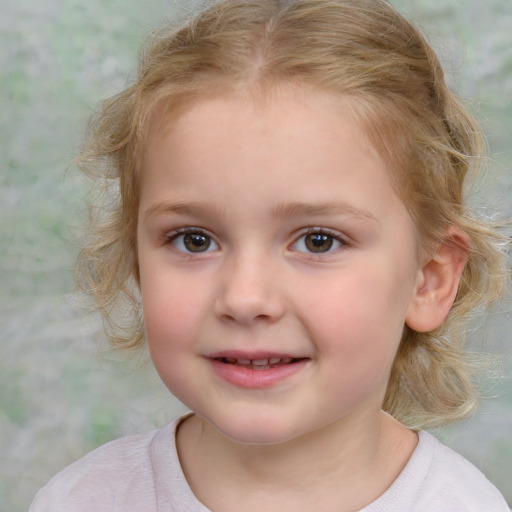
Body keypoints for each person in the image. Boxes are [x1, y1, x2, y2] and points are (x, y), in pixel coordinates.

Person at [30, 0, 510, 510]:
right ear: (135, 262)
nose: (244, 297)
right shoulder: (80, 500)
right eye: (195, 240)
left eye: (318, 241)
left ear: (428, 280)